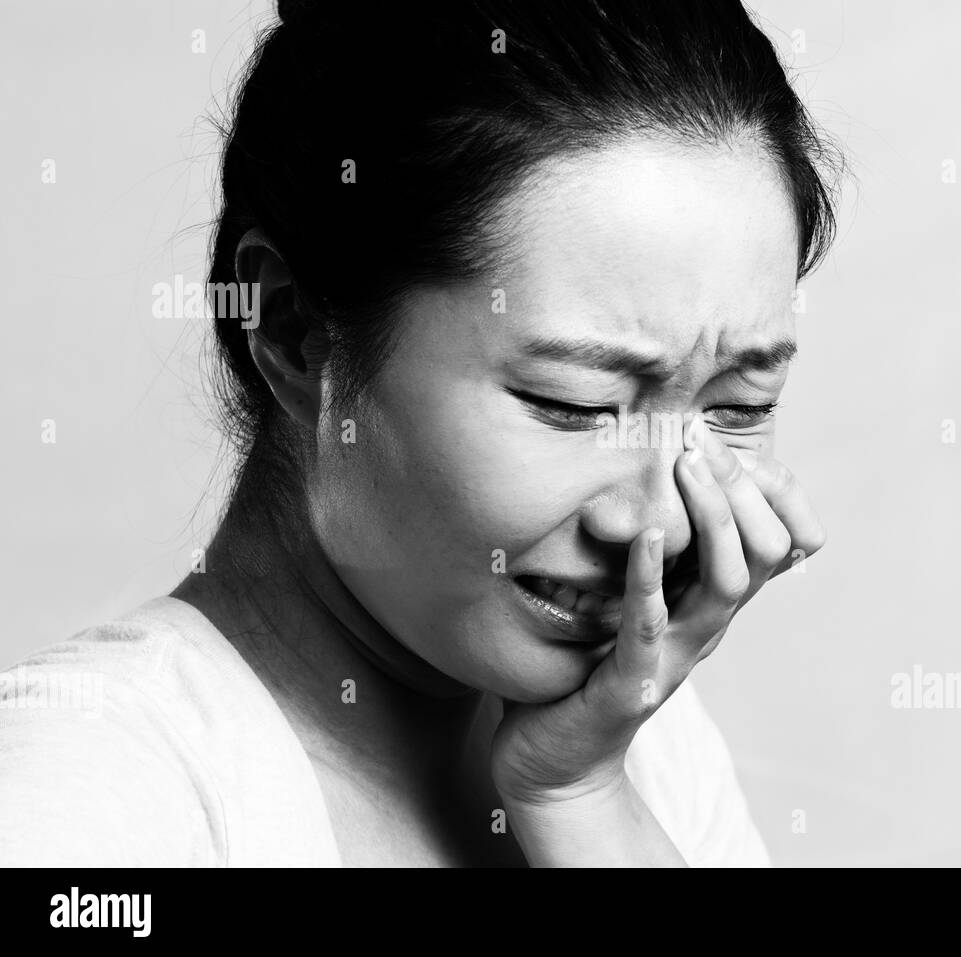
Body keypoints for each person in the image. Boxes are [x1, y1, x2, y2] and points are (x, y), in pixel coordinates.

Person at [0, 0, 839, 866]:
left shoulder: (641, 744)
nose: (657, 523)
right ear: (292, 327)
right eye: (575, 402)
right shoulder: (86, 792)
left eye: (738, 408)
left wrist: (583, 799)